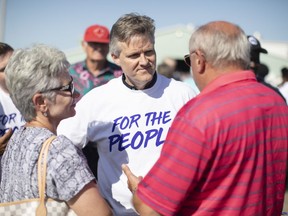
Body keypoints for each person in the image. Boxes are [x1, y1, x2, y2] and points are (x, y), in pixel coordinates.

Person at [123, 21, 288, 215]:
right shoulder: (276, 102)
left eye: (189, 60)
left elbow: (150, 209)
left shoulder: (199, 115)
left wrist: (138, 190)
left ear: (200, 60)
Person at [57, 13, 197, 215]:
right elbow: (61, 146)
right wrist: (88, 194)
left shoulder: (182, 94)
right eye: (133, 55)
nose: (144, 61)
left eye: (149, 52)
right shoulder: (97, 100)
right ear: (115, 57)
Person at [0, 44, 112, 216]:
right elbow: (100, 214)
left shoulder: (14, 142)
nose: (76, 94)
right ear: (40, 102)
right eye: (67, 88)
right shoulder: (58, 148)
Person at [70, 24, 122, 99]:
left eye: (103, 44)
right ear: (83, 45)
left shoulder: (121, 73)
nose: (99, 48)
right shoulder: (69, 72)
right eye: (94, 43)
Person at [247, 35, 286, 102]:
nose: (253, 64)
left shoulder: (273, 92)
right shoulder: (228, 87)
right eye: (249, 59)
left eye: (256, 59)